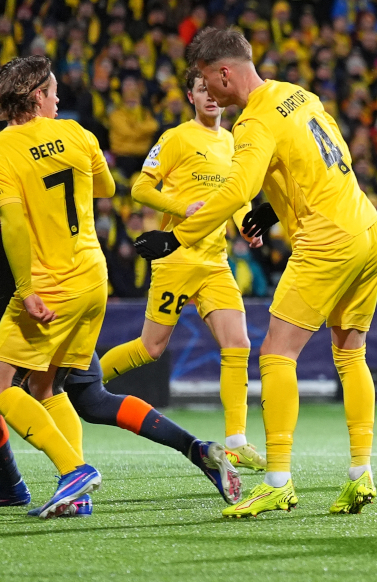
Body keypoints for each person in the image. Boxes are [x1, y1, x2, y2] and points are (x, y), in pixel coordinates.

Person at [0, 87, 238, 512]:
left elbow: (9, 218)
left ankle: (38, 480)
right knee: (83, 396)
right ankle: (193, 449)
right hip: (70, 284)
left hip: (35, 296)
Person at [134, 27, 377, 518]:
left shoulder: (251, 123)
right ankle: (360, 473)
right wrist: (272, 210)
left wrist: (177, 238)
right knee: (350, 353)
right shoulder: (296, 93)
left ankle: (277, 481)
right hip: (369, 227)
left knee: (275, 355)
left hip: (328, 239)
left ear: (224, 72)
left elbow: (234, 189)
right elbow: (332, 157)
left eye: (209, 79)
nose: (210, 90)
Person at [99, 66, 265, 473]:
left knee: (238, 344)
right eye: (200, 90)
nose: (209, 96)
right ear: (191, 96)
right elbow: (139, 188)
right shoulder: (175, 138)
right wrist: (180, 208)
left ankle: (236, 442)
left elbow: (237, 195)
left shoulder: (232, 142)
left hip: (216, 261)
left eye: (214, 90)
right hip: (177, 258)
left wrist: (246, 222)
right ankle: (80, 381)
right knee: (150, 348)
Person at [0, 57, 106, 518]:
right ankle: (78, 493)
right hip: (93, 276)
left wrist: (26, 288)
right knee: (47, 386)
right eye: (51, 92)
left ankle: (74, 471)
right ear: (35, 98)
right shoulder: (78, 134)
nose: (58, 99)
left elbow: (12, 222)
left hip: (50, 286)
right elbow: (105, 187)